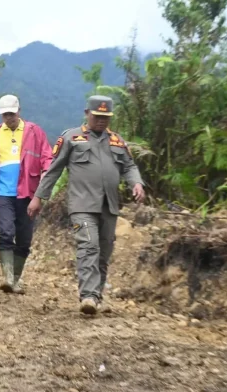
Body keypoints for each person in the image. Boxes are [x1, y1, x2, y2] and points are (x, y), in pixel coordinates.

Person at [28, 95, 145, 315]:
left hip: (109, 206)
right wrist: (38, 197)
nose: (101, 120)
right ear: (87, 113)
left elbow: (129, 166)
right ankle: (88, 296)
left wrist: (136, 183)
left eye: (106, 117)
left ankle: (96, 297)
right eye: (97, 116)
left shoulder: (117, 141)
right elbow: (53, 170)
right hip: (82, 205)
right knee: (89, 246)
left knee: (104, 252)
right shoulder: (71, 138)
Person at [0, 94, 53, 294]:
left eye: (11, 113)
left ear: (19, 111)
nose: (9, 118)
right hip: (3, 193)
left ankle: (16, 279)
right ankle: (8, 278)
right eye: (5, 115)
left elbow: (47, 159)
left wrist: (41, 191)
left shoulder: (34, 132)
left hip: (28, 192)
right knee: (6, 232)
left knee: (24, 238)